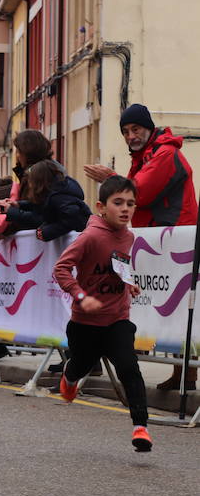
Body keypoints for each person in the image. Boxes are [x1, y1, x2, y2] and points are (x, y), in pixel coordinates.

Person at [85, 104, 199, 391]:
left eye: (135, 129)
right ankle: (181, 373)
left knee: (179, 308)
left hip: (176, 244)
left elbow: (140, 193)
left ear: (148, 128)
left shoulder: (165, 154)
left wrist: (111, 178)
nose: (130, 135)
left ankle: (185, 374)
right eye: (125, 131)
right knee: (169, 307)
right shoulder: (146, 156)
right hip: (162, 242)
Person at [53, 175, 151, 452]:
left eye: (131, 204)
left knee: (129, 368)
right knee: (81, 365)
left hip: (117, 318)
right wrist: (81, 296)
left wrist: (129, 283)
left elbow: (118, 267)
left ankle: (140, 427)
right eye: (118, 202)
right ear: (101, 207)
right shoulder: (90, 237)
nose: (125, 209)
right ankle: (70, 377)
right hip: (85, 322)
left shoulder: (129, 236)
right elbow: (61, 269)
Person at [0, 160, 90, 241]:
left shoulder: (59, 197)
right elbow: (39, 207)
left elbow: (70, 219)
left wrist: (46, 232)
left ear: (39, 182)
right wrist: (18, 205)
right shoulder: (53, 194)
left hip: (83, 238)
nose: (30, 186)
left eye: (31, 182)